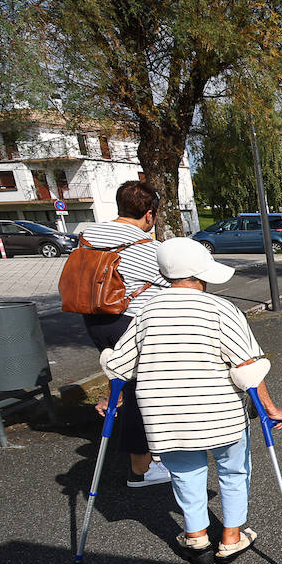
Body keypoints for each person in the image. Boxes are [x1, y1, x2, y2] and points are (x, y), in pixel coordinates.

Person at [101, 238, 282, 564]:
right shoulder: (220, 309)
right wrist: (271, 408)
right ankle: (231, 537)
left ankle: (196, 537)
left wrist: (111, 400)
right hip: (220, 413)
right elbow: (247, 369)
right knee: (233, 469)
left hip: (166, 417)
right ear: (202, 274)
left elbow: (119, 366)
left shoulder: (147, 312)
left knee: (186, 473)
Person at [82, 180, 171, 488]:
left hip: (94, 320)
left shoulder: (87, 238)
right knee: (139, 394)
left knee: (123, 382)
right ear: (150, 215)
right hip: (130, 324)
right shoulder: (150, 249)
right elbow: (177, 285)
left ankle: (145, 451)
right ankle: (142, 468)